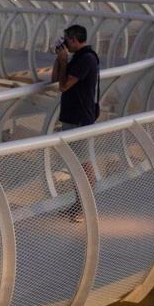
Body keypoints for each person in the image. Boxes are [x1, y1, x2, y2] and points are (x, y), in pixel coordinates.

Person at [52, 25, 100, 220]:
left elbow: (63, 86)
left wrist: (64, 60)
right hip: (73, 117)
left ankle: (85, 208)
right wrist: (60, 59)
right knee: (76, 164)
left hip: (80, 118)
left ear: (73, 39)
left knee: (83, 165)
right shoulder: (78, 58)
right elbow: (56, 78)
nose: (64, 43)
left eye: (66, 40)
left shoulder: (86, 59)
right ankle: (78, 205)